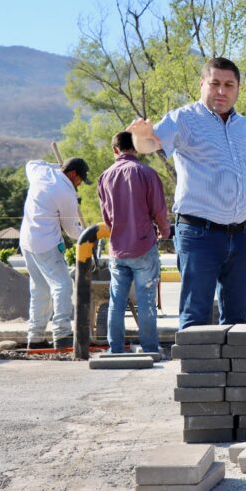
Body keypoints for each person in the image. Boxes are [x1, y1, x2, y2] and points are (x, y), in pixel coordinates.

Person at [127, 57, 246, 330]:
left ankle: (231, 374)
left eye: (229, 85)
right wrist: (140, 136)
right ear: (202, 84)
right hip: (199, 235)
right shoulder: (183, 119)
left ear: (237, 89)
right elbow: (150, 143)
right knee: (196, 316)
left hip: (240, 236)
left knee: (238, 318)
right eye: (215, 83)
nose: (222, 91)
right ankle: (196, 372)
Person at [96, 131, 170, 354]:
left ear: (115, 150)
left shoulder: (104, 177)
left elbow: (107, 218)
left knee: (116, 301)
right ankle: (149, 347)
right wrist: (164, 230)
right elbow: (158, 209)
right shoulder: (146, 173)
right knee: (146, 300)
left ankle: (115, 348)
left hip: (118, 249)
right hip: (144, 246)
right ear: (136, 147)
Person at [19, 157, 90, 349]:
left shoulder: (40, 172)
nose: (80, 184)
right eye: (80, 180)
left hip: (26, 240)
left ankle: (35, 337)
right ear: (73, 174)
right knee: (62, 285)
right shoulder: (66, 192)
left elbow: (31, 162)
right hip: (47, 243)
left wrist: (56, 167)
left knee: (40, 288)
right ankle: (62, 333)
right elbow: (71, 231)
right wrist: (90, 233)